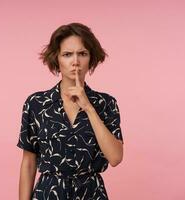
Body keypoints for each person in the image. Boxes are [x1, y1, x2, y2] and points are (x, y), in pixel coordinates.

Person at [16, 22, 124, 200]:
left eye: (82, 54)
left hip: (91, 194)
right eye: (67, 54)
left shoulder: (106, 103)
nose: (75, 62)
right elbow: (28, 162)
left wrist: (88, 107)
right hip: (48, 194)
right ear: (56, 59)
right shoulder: (37, 104)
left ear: (91, 58)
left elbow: (115, 158)